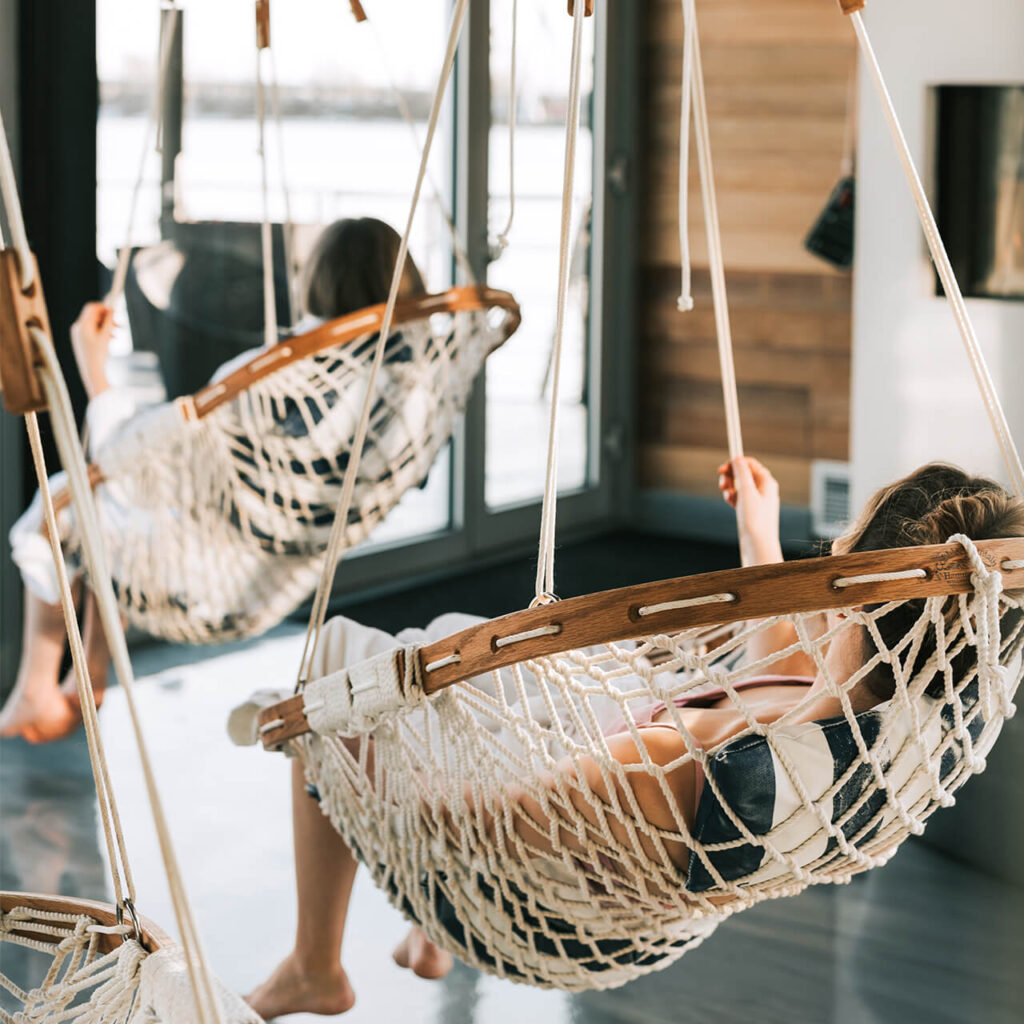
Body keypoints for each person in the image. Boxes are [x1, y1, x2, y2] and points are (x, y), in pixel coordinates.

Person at [245, 456, 1024, 1019]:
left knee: (342, 674)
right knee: (459, 646)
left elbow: (475, 826)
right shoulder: (897, 721)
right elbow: (787, 659)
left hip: (534, 907)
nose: (825, 557)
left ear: (851, 600)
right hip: (632, 871)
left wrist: (349, 760)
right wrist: (757, 525)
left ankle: (316, 965)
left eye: (840, 549)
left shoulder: (677, 760)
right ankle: (424, 942)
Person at [0, 218, 427, 744]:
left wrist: (95, 371)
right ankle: (88, 665)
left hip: (216, 571)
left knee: (56, 508)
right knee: (99, 508)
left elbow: (134, 469)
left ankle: (36, 685)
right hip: (287, 559)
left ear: (317, 281)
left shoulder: (281, 373)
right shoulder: (416, 378)